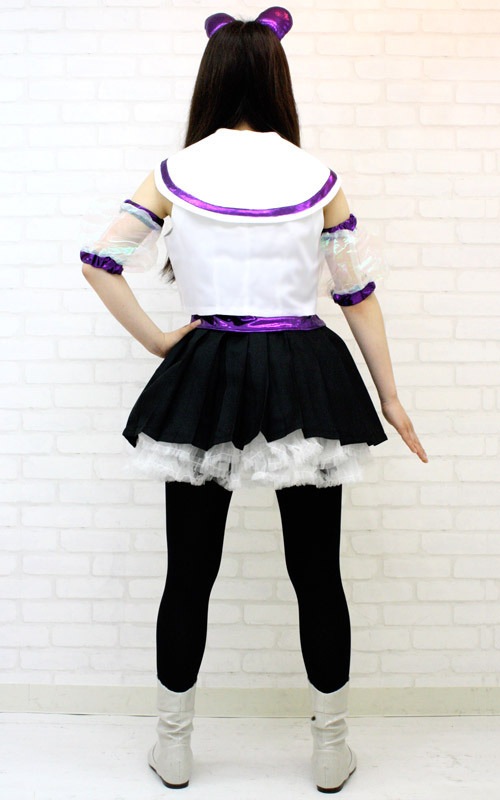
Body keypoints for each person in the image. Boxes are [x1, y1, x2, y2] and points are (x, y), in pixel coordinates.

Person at [80, 5, 428, 793]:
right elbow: (357, 294)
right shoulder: (316, 176)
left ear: (210, 78)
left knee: (188, 572)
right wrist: (390, 396)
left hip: (206, 369)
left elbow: (101, 261)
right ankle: (331, 750)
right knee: (317, 572)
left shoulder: (174, 172)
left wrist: (161, 342)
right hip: (306, 369)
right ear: (278, 77)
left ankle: (173, 747)